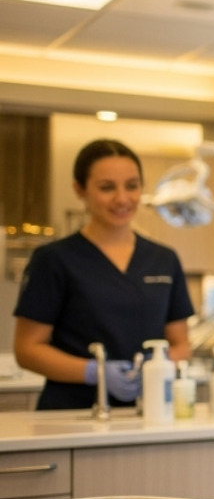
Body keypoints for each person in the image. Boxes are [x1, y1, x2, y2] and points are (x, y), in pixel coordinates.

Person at [12, 139, 195, 410]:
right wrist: (94, 372)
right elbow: (28, 350)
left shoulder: (163, 260)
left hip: (149, 411)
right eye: (107, 187)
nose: (122, 198)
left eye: (132, 186)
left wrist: (157, 367)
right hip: (71, 413)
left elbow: (181, 344)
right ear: (80, 190)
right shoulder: (54, 260)